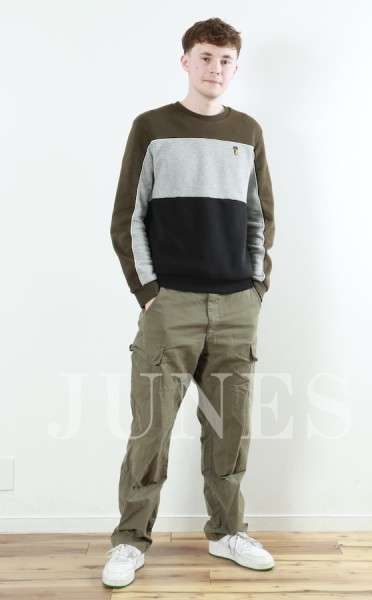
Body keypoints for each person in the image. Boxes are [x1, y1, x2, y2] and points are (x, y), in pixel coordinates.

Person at [102, 17, 275, 589]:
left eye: (225, 61)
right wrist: (148, 291)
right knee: (150, 430)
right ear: (185, 61)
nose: (215, 69)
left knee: (231, 430)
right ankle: (130, 540)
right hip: (170, 304)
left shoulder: (247, 131)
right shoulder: (151, 127)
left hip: (236, 307)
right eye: (205, 57)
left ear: (235, 67)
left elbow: (260, 216)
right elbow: (127, 216)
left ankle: (227, 531)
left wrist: (256, 286)